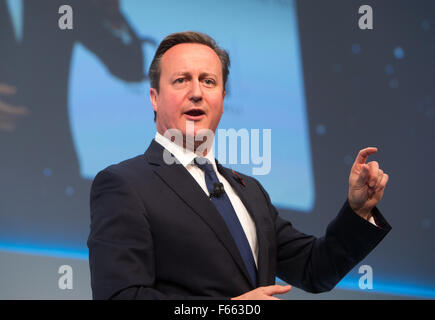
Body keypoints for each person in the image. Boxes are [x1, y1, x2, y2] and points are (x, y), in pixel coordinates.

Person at [87, 31, 391, 300]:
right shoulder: (124, 184)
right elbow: (121, 295)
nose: (196, 92)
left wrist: (358, 211)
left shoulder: (250, 191)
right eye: (181, 80)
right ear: (155, 98)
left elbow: (314, 270)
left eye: (208, 81)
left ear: (221, 97)